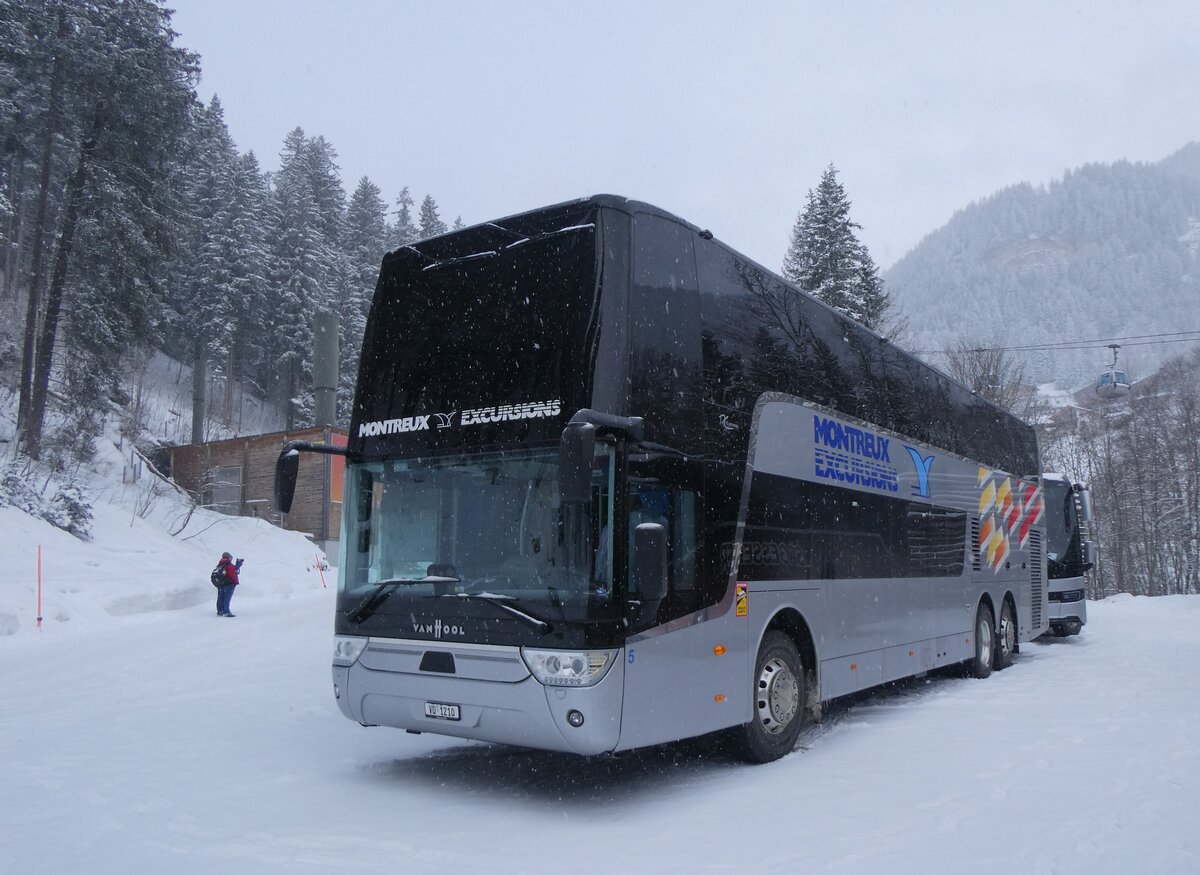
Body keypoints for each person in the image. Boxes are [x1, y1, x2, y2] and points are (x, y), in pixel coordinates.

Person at [215, 551, 243, 617]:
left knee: (220, 598)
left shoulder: (220, 564)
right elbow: (234, 572)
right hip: (229, 584)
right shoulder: (228, 564)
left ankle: (220, 611)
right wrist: (238, 565)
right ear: (229, 558)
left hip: (221, 584)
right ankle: (226, 612)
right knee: (227, 598)